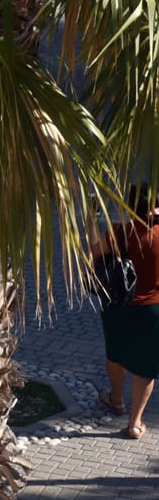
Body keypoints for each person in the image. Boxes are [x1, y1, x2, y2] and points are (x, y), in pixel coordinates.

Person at [93, 183, 158, 439]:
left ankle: (116, 399)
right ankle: (135, 422)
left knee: (116, 355)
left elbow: (94, 253)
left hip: (118, 305)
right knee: (145, 367)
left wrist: (90, 219)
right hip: (152, 309)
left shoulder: (122, 232)